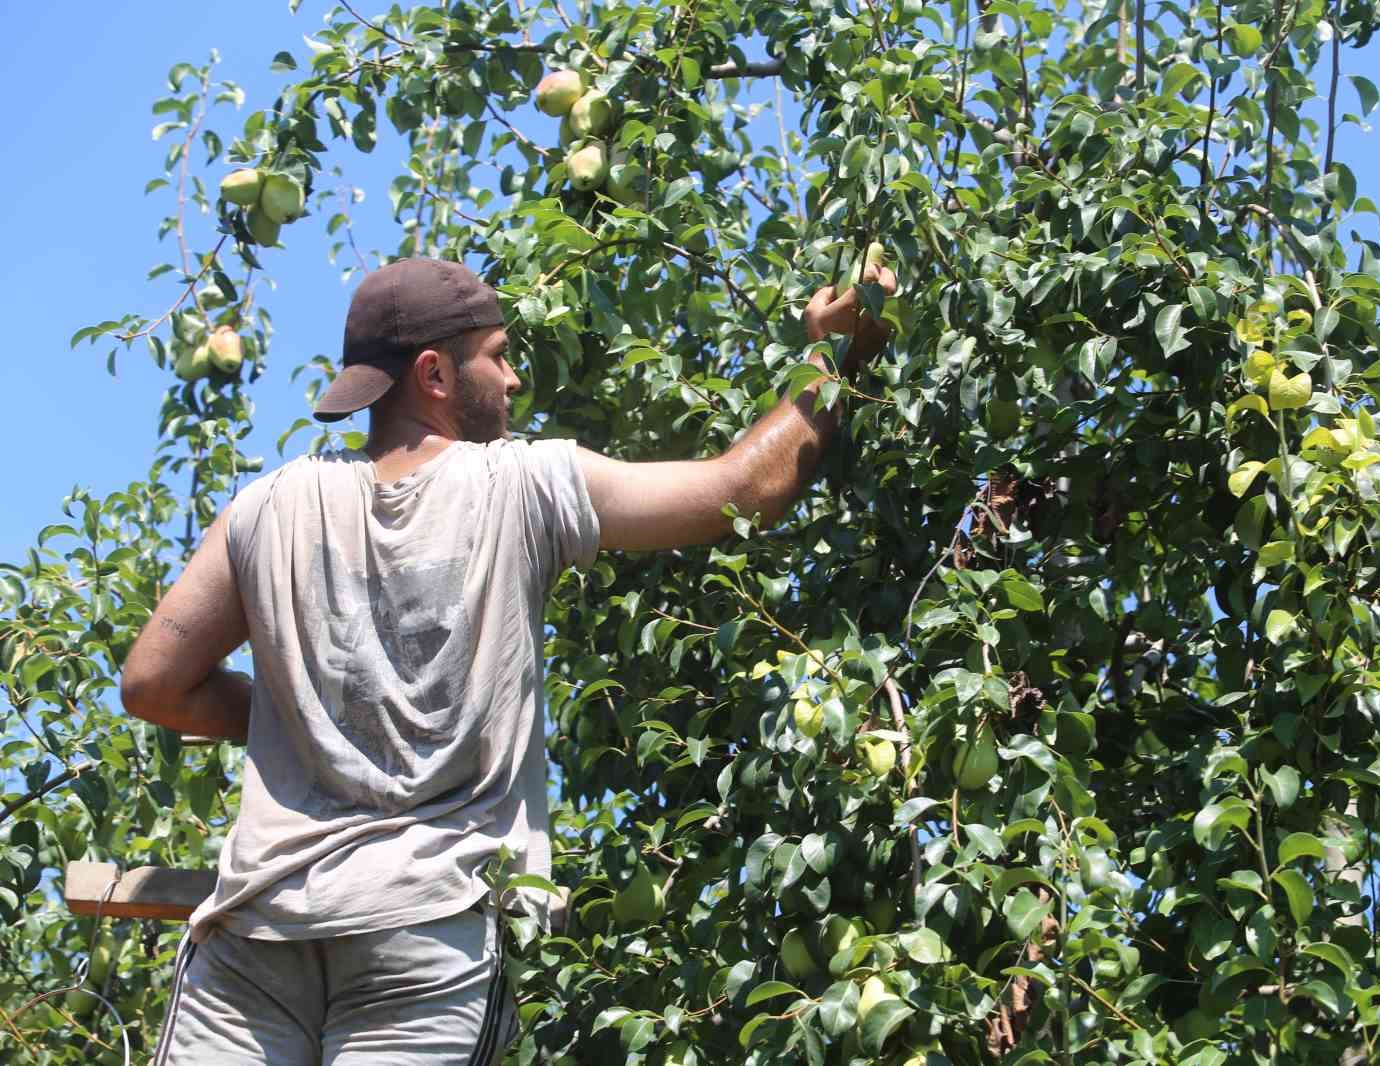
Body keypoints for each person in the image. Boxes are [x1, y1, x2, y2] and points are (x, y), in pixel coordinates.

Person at [117, 255, 898, 1064]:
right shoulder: (521, 484)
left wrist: (294, 717)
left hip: (255, 937)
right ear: (435, 374)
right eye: (497, 354)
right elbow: (745, 491)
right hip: (425, 934)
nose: (515, 379)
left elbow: (152, 683)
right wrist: (834, 355)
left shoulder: (267, 505)